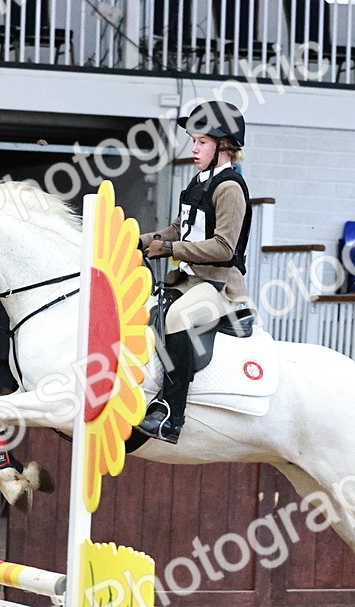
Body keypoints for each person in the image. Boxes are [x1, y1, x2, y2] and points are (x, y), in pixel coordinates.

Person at [136, 100, 253, 444]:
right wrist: (138, 240)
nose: (194, 148)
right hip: (190, 279)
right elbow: (179, 228)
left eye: (201, 142)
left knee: (177, 319)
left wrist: (170, 250)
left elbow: (223, 247)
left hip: (221, 286)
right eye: (194, 141)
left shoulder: (229, 188)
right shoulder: (201, 180)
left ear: (224, 146)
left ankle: (172, 415)